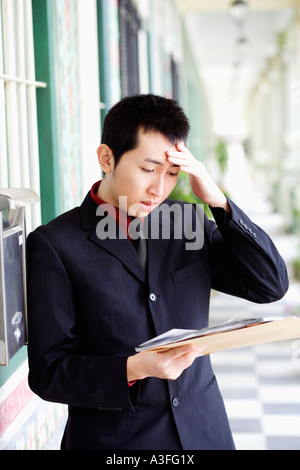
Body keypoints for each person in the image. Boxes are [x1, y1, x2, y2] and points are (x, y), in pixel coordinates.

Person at [27, 94, 288, 450]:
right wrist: (133, 369)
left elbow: (269, 284)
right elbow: (48, 373)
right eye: (148, 170)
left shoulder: (188, 224)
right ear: (107, 158)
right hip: (117, 441)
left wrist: (218, 202)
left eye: (173, 173)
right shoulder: (55, 244)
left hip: (204, 430)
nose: (159, 189)